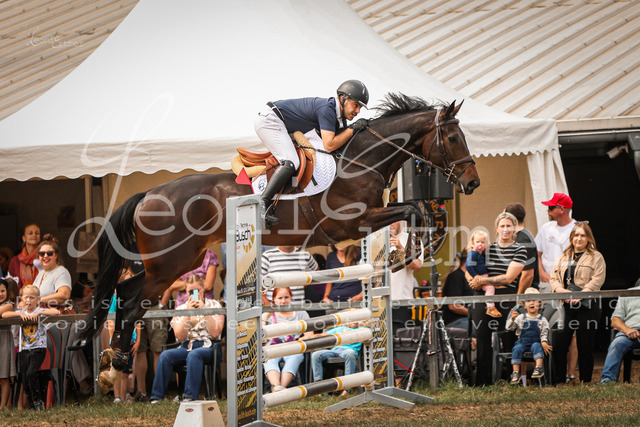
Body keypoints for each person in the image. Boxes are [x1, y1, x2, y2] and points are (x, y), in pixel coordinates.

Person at [254, 80, 369, 226]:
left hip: (279, 122)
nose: (358, 111)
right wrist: (353, 129)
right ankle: (263, 203)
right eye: (355, 105)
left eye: (360, 107)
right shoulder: (327, 109)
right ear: (342, 98)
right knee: (291, 162)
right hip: (270, 120)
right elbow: (329, 145)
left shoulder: (339, 118)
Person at [468, 212, 527, 386]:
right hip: (483, 297)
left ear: (514, 228)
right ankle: (483, 383)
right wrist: (472, 279)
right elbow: (469, 266)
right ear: (496, 228)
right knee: (482, 339)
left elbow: (508, 278)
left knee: (509, 338)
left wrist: (482, 281)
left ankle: (512, 381)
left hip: (506, 297)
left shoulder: (520, 249)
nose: (505, 229)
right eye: (502, 226)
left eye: (509, 225)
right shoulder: (488, 247)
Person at [150, 275, 224, 403]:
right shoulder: (181, 309)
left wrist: (204, 310)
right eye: (191, 291)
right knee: (166, 355)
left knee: (194, 355)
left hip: (210, 346)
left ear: (203, 289)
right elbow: (180, 337)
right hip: (187, 345)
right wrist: (187, 314)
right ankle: (156, 397)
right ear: (186, 292)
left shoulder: (215, 305)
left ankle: (190, 396)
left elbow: (215, 332)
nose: (195, 294)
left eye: (197, 290)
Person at [550, 222, 605, 384]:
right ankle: (560, 381)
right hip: (566, 306)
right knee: (560, 344)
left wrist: (581, 294)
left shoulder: (596, 257)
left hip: (588, 306)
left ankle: (585, 381)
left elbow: (598, 279)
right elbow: (553, 279)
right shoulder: (562, 257)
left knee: (585, 345)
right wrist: (564, 292)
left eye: (583, 235)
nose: (579, 238)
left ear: (588, 238)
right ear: (571, 238)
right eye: (576, 235)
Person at [2, 285, 60, 410]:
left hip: (38, 348)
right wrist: (19, 314)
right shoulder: (22, 313)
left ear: (38, 300)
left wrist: (39, 313)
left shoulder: (40, 311)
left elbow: (56, 312)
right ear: (22, 299)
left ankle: (38, 400)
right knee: (24, 376)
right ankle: (33, 403)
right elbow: (5, 314)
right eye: (26, 297)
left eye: (32, 298)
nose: (28, 300)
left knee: (31, 372)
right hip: (24, 349)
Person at [262, 287, 313, 392]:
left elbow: (310, 335)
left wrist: (298, 341)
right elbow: (260, 339)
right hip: (273, 348)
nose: (283, 301)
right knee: (268, 358)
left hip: (293, 349)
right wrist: (265, 317)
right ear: (274, 299)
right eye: (280, 298)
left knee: (295, 357)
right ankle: (276, 386)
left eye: (286, 297)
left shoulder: (300, 313)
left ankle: (280, 389)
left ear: (291, 298)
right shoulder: (268, 315)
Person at [507, 288, 552, 384]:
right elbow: (509, 328)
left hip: (535, 342)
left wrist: (544, 341)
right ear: (524, 304)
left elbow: (544, 332)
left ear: (539, 303)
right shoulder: (520, 317)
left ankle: (539, 368)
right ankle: (516, 373)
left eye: (534, 300)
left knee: (537, 346)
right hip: (522, 342)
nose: (531, 303)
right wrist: (512, 319)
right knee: (517, 348)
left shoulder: (542, 319)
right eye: (528, 301)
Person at [600, 283, 640, 384]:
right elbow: (615, 320)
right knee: (617, 343)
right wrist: (627, 330)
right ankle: (608, 381)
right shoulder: (628, 293)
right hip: (630, 333)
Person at [311, 319, 364, 396]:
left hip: (348, 351)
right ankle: (319, 387)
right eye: (352, 319)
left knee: (350, 353)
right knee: (316, 355)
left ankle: (347, 388)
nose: (354, 321)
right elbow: (322, 335)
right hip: (335, 350)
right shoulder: (340, 329)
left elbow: (367, 338)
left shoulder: (362, 329)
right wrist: (311, 336)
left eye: (356, 319)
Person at [535, 193, 576, 293]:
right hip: (548, 283)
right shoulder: (545, 228)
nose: (548, 210)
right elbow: (536, 253)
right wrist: (541, 273)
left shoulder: (578, 229)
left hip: (571, 284)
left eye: (551, 208)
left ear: (562, 210)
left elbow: (588, 256)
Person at [504, 203, 539, 293]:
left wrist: (519, 297)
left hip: (523, 295)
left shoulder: (524, 240)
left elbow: (528, 274)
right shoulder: (517, 237)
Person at [31, 235, 72, 309]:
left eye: (49, 253)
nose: (45, 256)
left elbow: (64, 294)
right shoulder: (41, 273)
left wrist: (39, 300)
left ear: (56, 255)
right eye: (42, 254)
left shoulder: (61, 272)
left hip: (55, 315)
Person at [466, 230, 500, 318]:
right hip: (481, 276)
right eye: (477, 242)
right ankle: (490, 307)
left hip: (484, 276)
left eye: (483, 242)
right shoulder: (472, 254)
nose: (480, 244)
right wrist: (475, 276)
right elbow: (468, 266)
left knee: (491, 287)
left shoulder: (480, 254)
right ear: (472, 243)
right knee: (490, 288)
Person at [441, 250, 474, 330]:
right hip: (456, 320)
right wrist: (473, 314)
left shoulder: (473, 278)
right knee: (481, 330)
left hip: (467, 319)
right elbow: (453, 306)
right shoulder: (456, 277)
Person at [0, 278, 18, 409]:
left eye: (2, 291)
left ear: (7, 291)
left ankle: (2, 407)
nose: (0, 294)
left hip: (3, 340)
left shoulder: (9, 305)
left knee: (4, 376)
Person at [8, 224, 41, 289]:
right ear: (23, 238)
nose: (34, 235)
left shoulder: (45, 257)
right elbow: (10, 285)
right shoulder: (15, 261)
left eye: (37, 233)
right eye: (30, 233)